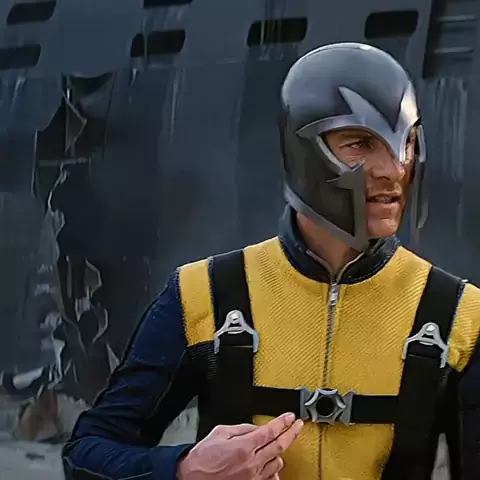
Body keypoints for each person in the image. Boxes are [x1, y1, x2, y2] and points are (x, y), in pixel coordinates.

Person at [62, 43, 480, 480]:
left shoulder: (462, 317)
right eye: (360, 143)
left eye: (406, 142)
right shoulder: (202, 296)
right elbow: (87, 454)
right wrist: (184, 469)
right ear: (303, 150)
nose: (394, 169)